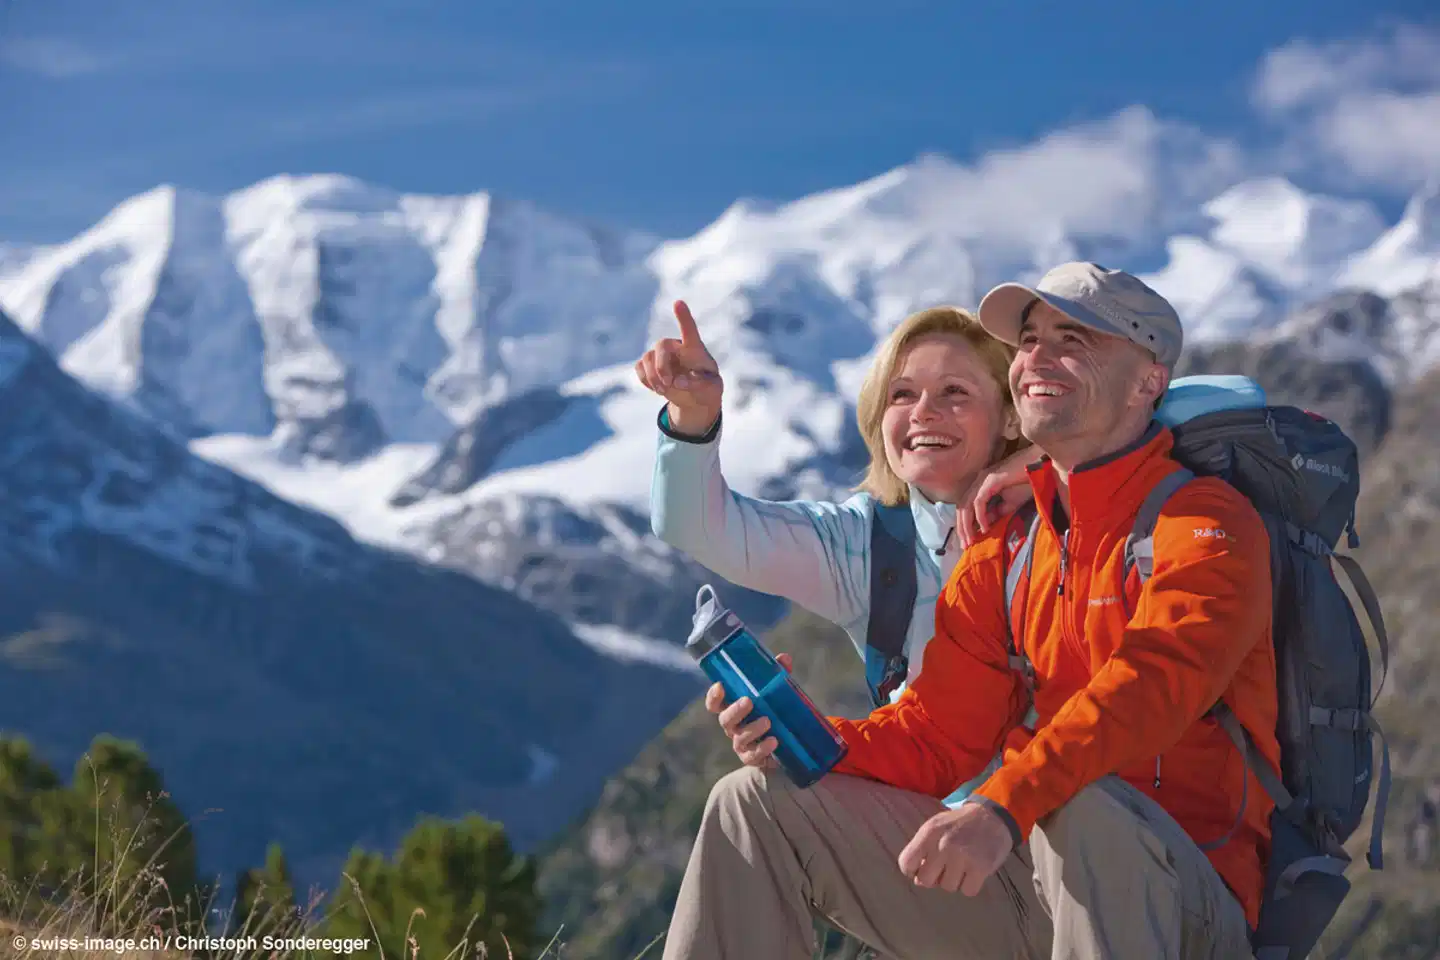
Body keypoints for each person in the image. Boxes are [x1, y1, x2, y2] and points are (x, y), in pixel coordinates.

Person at [662, 262, 1279, 960]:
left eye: (1074, 339)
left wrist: (1005, 802)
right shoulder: (1009, 548)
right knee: (754, 802)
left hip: (1185, 907)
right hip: (1029, 882)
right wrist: (806, 738)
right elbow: (937, 735)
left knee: (1084, 803)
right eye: (1031, 340)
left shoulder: (1205, 522)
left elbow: (1154, 682)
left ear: (1148, 382)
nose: (1039, 357)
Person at [636, 299, 1037, 803]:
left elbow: (1149, 414)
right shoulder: (867, 543)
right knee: (749, 796)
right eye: (901, 394)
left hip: (1063, 823)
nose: (923, 412)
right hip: (926, 827)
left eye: (954, 392)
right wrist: (692, 417)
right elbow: (695, 526)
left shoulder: (1068, 509)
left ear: (1010, 417)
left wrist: (1049, 459)